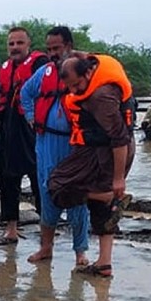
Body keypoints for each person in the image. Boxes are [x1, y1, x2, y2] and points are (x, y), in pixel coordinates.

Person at [48, 53, 136, 279]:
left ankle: (107, 196)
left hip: (108, 153)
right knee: (100, 210)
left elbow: (119, 138)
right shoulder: (90, 66)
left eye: (77, 85)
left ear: (88, 73)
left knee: (58, 185)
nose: (75, 91)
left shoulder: (100, 97)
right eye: (70, 87)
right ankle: (104, 264)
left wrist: (118, 179)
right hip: (94, 148)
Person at [20, 25, 91, 265]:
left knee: (77, 196)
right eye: (48, 48)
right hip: (46, 142)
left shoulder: (86, 72)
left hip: (76, 144)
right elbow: (25, 93)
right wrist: (30, 115)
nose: (52, 53)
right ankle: (46, 247)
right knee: (47, 191)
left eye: (56, 48)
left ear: (69, 47)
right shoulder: (45, 73)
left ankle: (80, 251)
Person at [0, 26, 48, 246]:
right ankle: (11, 229)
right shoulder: (4, 68)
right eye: (11, 44)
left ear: (29, 45)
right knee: (6, 178)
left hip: (31, 127)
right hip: (8, 127)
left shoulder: (40, 65)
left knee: (38, 179)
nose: (15, 48)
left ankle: (47, 229)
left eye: (19, 43)